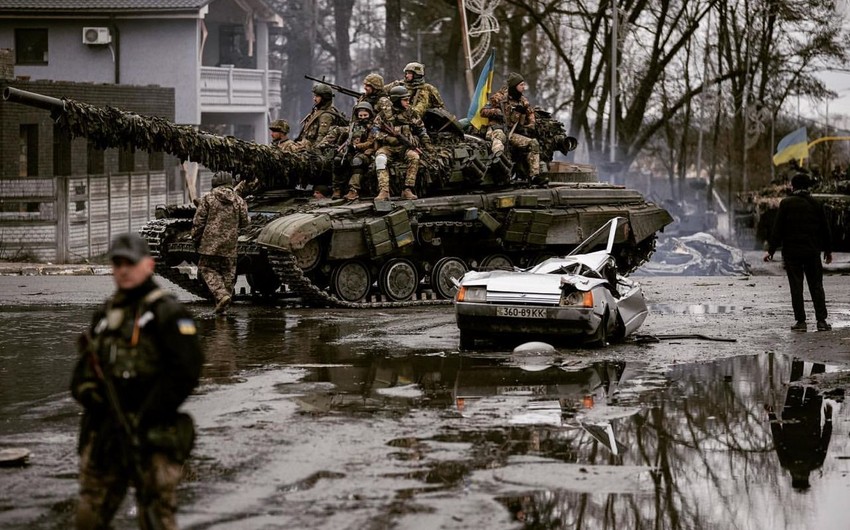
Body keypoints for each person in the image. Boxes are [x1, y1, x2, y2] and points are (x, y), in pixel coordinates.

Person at [71, 232, 203, 529]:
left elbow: (186, 372)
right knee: (89, 514)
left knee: (156, 515)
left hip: (152, 433)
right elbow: (83, 373)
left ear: (148, 264)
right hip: (106, 432)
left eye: (130, 263)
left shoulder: (168, 313)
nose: (123, 270)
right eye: (117, 264)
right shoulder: (106, 314)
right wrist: (93, 396)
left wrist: (147, 412)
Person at [764, 173, 833, 332]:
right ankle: (821, 321)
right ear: (808, 187)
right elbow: (825, 229)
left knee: (796, 286)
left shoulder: (786, 204)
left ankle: (801, 322)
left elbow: (778, 229)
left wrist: (771, 250)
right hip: (812, 251)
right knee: (816, 286)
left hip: (792, 253)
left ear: (793, 186)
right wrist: (828, 251)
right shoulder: (817, 204)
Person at [766, 360, 835, 492]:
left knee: (817, 381)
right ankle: (799, 353)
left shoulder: (816, 463)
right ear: (794, 479)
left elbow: (825, 438)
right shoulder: (786, 463)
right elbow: (778, 437)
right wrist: (771, 415)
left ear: (807, 479)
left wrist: (829, 419)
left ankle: (818, 354)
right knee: (796, 380)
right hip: (791, 415)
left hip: (811, 417)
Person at [192, 171, 249, 314]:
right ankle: (224, 304)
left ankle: (221, 295)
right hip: (230, 244)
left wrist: (195, 238)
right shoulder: (239, 200)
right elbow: (245, 223)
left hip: (210, 244)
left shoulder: (208, 199)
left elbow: (199, 222)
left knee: (206, 268)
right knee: (228, 273)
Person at [480, 72, 543, 184]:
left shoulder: (523, 101)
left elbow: (531, 115)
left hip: (511, 132)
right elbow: (483, 111)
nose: (524, 88)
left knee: (533, 143)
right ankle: (498, 164)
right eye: (521, 85)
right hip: (496, 130)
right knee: (500, 138)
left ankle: (534, 176)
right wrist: (496, 112)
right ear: (514, 86)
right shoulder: (498, 97)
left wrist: (528, 124)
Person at [373, 86, 432, 201]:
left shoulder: (411, 113)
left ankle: (407, 189)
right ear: (396, 100)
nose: (407, 102)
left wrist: (427, 143)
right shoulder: (384, 114)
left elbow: (421, 129)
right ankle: (384, 191)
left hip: (405, 147)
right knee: (380, 158)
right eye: (404, 99)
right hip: (388, 147)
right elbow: (375, 130)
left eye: (408, 99)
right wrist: (387, 138)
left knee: (414, 157)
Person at [343, 101, 380, 201]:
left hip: (369, 153)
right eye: (360, 115)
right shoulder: (354, 126)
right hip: (355, 152)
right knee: (339, 160)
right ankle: (337, 189)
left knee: (357, 161)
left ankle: (353, 190)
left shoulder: (374, 127)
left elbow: (371, 142)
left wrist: (356, 146)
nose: (363, 117)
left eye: (365, 115)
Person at [294, 84, 348, 150]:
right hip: (305, 145)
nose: (314, 99)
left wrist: (311, 153)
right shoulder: (318, 111)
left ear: (324, 98)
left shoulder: (325, 116)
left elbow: (321, 138)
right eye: (314, 96)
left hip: (311, 150)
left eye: (317, 96)